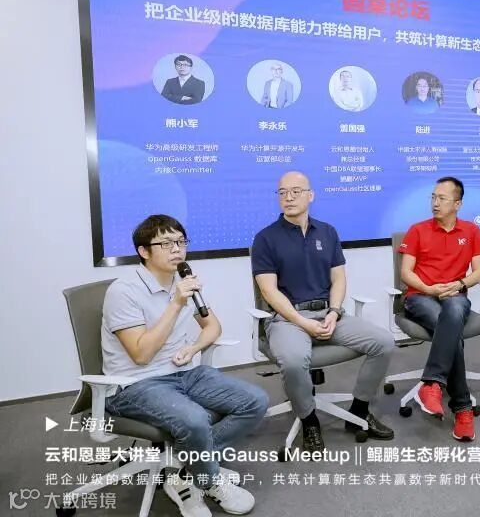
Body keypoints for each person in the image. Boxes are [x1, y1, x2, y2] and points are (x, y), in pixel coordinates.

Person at [102, 215, 267, 517]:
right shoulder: (123, 291)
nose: (177, 249)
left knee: (255, 401)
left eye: (180, 241)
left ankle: (187, 468)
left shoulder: (182, 284)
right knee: (194, 420)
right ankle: (207, 479)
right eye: (166, 243)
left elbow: (213, 326)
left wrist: (193, 348)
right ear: (143, 251)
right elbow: (141, 355)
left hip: (183, 373)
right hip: (136, 383)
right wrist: (176, 304)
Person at [251, 172, 395, 452]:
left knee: (384, 342)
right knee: (294, 361)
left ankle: (359, 410)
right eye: (282, 192)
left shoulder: (327, 232)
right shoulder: (265, 238)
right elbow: (269, 292)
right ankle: (309, 420)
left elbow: (338, 279)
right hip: (288, 319)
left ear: (310, 195)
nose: (288, 197)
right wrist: (302, 322)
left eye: (295, 191)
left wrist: (334, 312)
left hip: (328, 314)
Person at [399, 177, 480, 442]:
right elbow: (406, 273)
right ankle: (462, 409)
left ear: (457, 204)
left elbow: (479, 272)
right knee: (450, 328)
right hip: (420, 296)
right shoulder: (417, 230)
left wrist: (459, 284)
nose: (435, 203)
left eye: (442, 198)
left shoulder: (471, 231)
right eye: (433, 197)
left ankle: (433, 384)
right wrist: (429, 289)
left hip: (455, 294)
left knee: (451, 314)